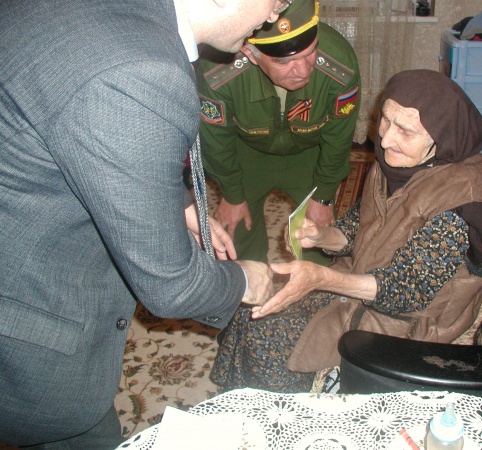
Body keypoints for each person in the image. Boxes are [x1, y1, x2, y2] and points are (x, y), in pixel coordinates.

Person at [0, 0, 289, 447]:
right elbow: (170, 284)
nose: (274, 15)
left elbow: (87, 130)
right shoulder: (139, 71)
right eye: (277, 0)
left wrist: (178, 203)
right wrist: (245, 280)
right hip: (22, 330)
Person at [211, 69, 482, 393]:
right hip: (363, 276)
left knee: (269, 333)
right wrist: (321, 236)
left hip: (411, 318)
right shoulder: (394, 164)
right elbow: (359, 225)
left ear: (442, 139)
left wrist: (322, 278)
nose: (386, 139)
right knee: (252, 305)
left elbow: (405, 291)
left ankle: (284, 413)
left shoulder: (459, 205)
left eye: (405, 131)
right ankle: (236, 405)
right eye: (386, 121)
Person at [197, 0, 360, 264]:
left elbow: (338, 138)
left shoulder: (340, 64)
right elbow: (215, 141)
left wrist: (324, 195)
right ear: (250, 53)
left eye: (310, 52)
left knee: (316, 244)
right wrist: (232, 194)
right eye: (284, 61)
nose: (303, 70)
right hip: (247, 153)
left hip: (309, 154)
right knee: (237, 241)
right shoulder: (217, 72)